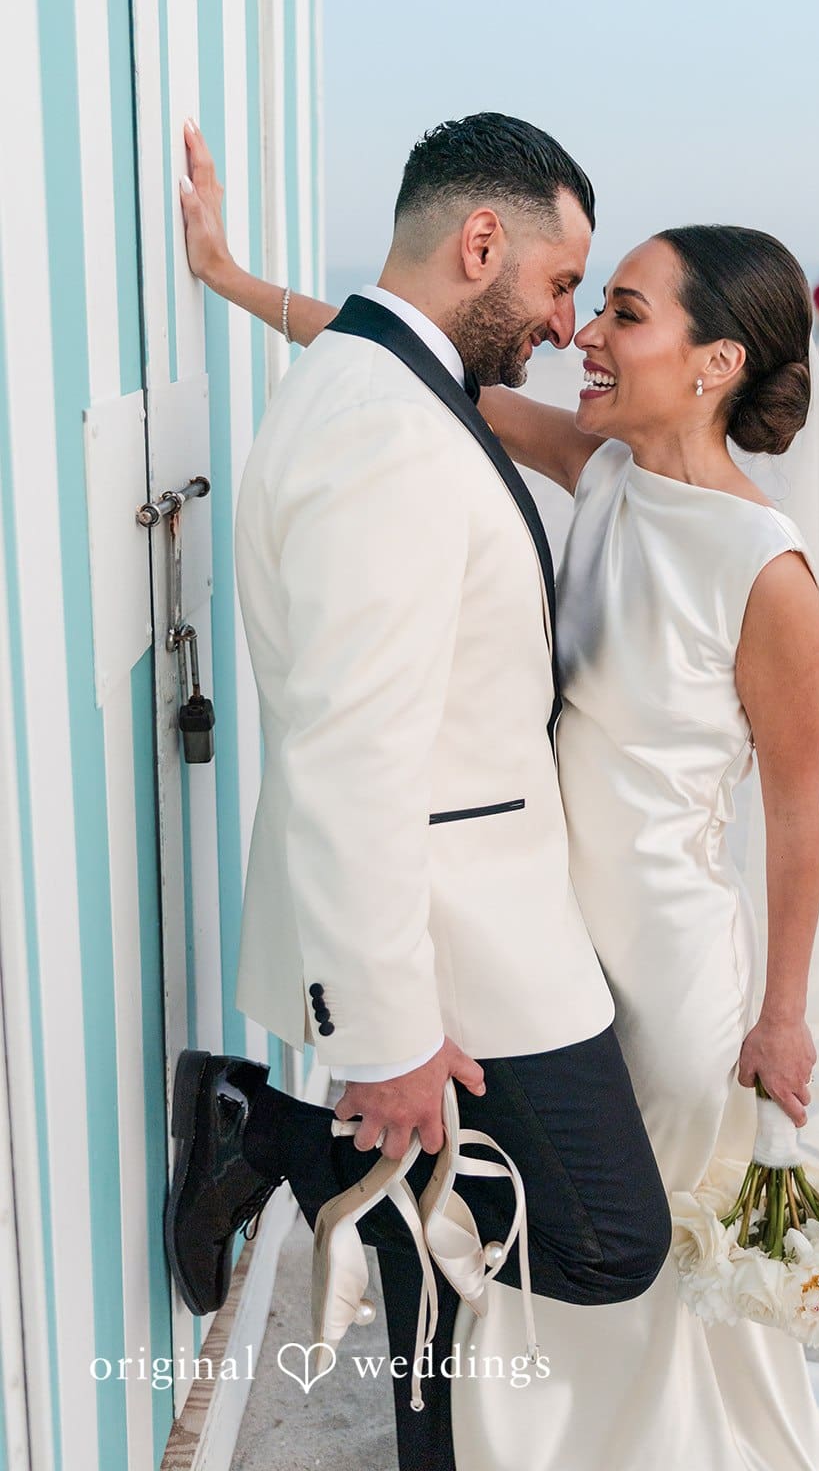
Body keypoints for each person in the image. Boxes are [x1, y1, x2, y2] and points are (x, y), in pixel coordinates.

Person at [181, 127, 819, 1467]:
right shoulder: (601, 474)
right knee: (515, 1198)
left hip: (665, 959)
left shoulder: (765, 569)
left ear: (714, 364)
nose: (583, 333)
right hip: (542, 931)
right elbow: (411, 366)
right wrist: (233, 280)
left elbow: (798, 814)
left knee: (618, 1239)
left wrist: (780, 1014)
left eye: (623, 312)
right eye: (586, 299)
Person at [165, 113, 674, 1471]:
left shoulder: (384, 377)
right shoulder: (384, 431)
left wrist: (228, 277)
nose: (566, 323)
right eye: (562, 283)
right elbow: (351, 747)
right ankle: (262, 1131)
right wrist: (384, 1033)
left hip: (475, 907)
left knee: (435, 1227)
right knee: (604, 1236)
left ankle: (430, 1447)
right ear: (480, 242)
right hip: (463, 936)